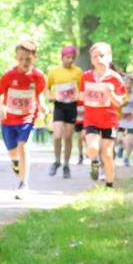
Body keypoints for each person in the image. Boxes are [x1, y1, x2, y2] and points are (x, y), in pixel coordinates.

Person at [0, 39, 46, 199]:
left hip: (27, 116)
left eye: (28, 59)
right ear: (16, 57)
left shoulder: (38, 77)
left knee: (23, 147)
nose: (25, 62)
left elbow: (39, 94)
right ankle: (15, 162)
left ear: (34, 58)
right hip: (9, 119)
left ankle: (23, 184)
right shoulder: (9, 75)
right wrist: (1, 106)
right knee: (12, 152)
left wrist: (42, 106)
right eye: (21, 59)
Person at [79, 42, 127, 187]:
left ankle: (109, 184)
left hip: (109, 121)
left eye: (102, 55)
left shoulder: (115, 78)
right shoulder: (86, 76)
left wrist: (110, 92)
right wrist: (86, 94)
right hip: (92, 119)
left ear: (109, 57)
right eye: (95, 56)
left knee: (107, 154)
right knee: (92, 148)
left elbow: (120, 102)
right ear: (91, 60)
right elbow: (81, 96)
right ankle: (94, 163)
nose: (99, 59)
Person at [45, 45, 83, 178]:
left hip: (72, 105)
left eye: (72, 58)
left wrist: (80, 96)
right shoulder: (54, 71)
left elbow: (82, 88)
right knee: (57, 136)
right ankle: (57, 161)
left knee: (68, 137)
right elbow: (47, 87)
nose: (70, 60)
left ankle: (66, 164)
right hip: (59, 105)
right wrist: (49, 96)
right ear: (62, 57)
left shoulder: (78, 71)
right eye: (68, 57)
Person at [117, 74, 133, 167]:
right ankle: (121, 147)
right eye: (126, 83)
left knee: (129, 141)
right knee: (119, 139)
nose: (128, 85)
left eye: (130, 83)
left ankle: (126, 158)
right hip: (120, 121)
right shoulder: (119, 94)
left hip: (131, 121)